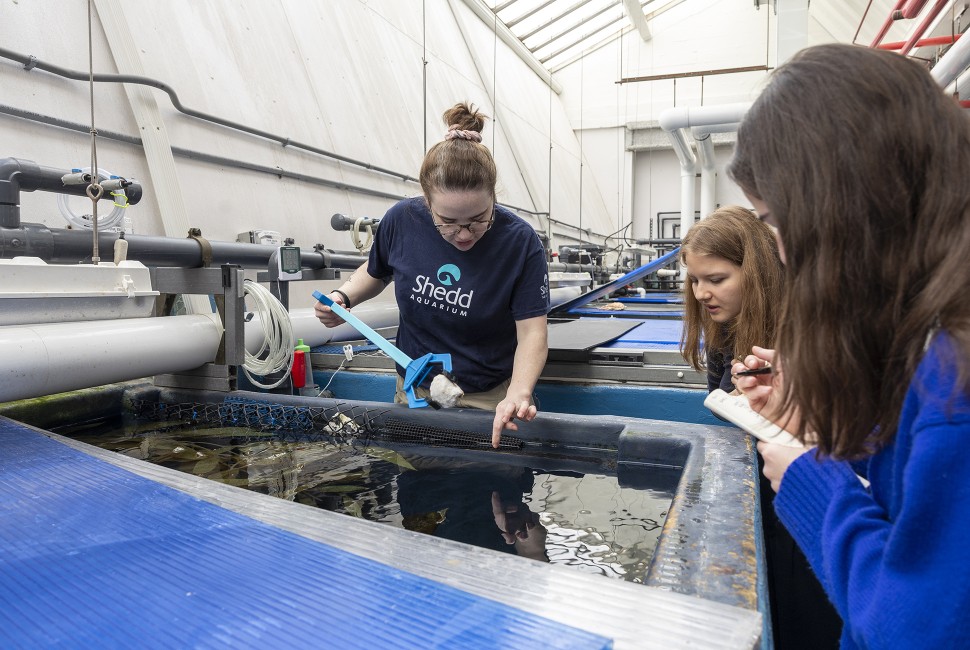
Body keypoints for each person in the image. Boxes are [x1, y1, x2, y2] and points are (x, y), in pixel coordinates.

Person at [729, 43, 970, 649]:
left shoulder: (955, 381)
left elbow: (913, 631)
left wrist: (813, 478)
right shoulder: (937, 346)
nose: (781, 249)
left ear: (837, 216)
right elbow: (916, 480)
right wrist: (829, 414)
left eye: (776, 222)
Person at [315, 102, 550, 449]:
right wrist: (343, 296)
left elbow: (532, 332)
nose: (465, 234)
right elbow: (377, 271)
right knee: (418, 490)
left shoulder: (520, 242)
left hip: (488, 398)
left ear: (493, 197)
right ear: (426, 201)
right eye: (449, 223)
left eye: (478, 219)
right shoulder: (401, 220)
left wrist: (518, 393)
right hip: (414, 389)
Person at [680, 206, 842, 649]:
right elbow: (719, 396)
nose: (702, 293)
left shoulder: (807, 327)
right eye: (695, 280)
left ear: (754, 272)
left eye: (716, 280)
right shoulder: (722, 327)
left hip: (808, 486)